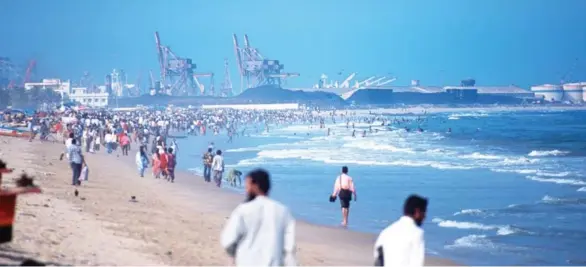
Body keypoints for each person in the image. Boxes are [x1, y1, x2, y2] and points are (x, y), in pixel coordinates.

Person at [221, 169, 296, 266]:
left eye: (247, 185)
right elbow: (289, 248)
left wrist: (234, 255)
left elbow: (228, 240)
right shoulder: (283, 211)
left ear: (255, 186)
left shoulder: (243, 210)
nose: (246, 188)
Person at [373, 195, 428, 267]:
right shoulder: (416, 233)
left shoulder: (386, 232)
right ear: (417, 212)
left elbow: (378, 259)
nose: (425, 216)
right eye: (424, 212)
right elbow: (417, 263)